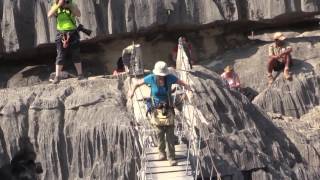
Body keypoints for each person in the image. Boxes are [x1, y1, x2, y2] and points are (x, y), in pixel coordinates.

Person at [128, 61, 191, 166]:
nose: (161, 77)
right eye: (159, 75)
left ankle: (171, 157)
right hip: (156, 110)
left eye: (163, 75)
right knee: (159, 133)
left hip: (168, 108)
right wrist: (131, 91)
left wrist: (189, 89)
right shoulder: (151, 78)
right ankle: (161, 152)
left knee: (170, 134)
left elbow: (182, 82)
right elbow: (137, 83)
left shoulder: (170, 78)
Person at [47, 0, 84, 84]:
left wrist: (70, 6)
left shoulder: (72, 3)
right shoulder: (55, 4)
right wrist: (58, 5)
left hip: (72, 33)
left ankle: (80, 75)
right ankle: (57, 77)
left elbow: (78, 14)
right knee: (60, 55)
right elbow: (49, 15)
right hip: (61, 33)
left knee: (76, 54)